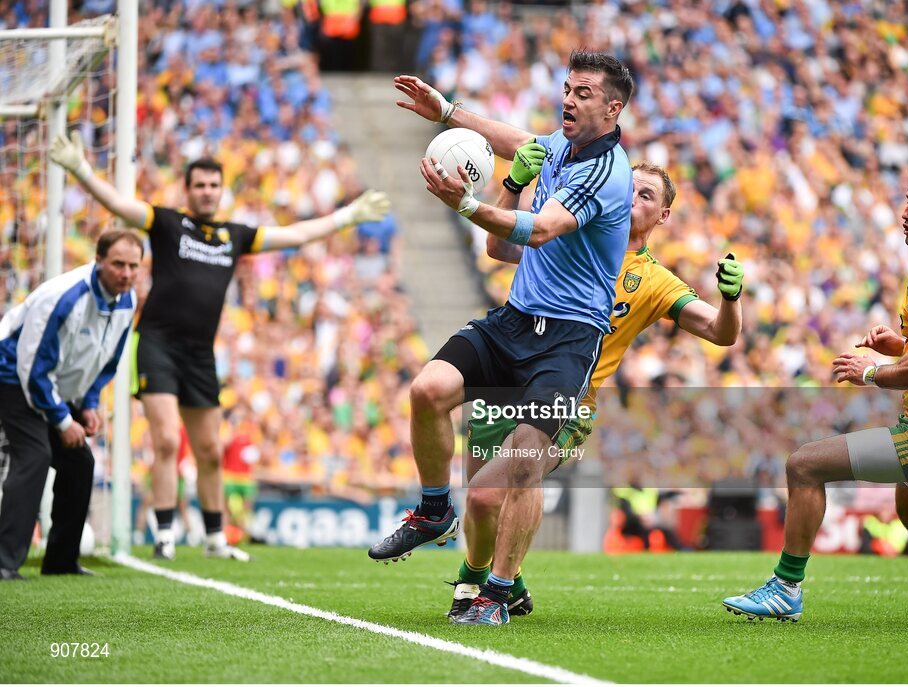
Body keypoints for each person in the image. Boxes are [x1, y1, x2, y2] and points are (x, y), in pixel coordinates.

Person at [368, 50, 634, 625]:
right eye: (566, 88)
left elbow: (539, 230)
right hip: (515, 319)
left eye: (583, 93)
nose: (567, 99)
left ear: (612, 109)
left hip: (568, 339)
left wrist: (466, 203)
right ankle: (435, 509)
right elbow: (513, 139)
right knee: (427, 389)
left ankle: (496, 592)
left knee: (522, 465)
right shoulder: (566, 146)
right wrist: (445, 111)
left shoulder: (607, 172)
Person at [49, 131, 390, 562]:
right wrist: (80, 167)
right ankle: (166, 534)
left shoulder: (235, 235)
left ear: (221, 190)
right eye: (200, 185)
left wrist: (348, 216)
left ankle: (214, 540)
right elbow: (119, 207)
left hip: (200, 354)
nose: (207, 191)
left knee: (209, 449)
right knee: (168, 441)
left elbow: (296, 235)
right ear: (188, 190)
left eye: (214, 185)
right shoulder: (168, 222)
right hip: (155, 343)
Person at [447, 162, 744, 619]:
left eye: (646, 196)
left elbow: (720, 334)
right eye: (629, 189)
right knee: (481, 500)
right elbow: (498, 247)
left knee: (491, 490)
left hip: (567, 400)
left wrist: (730, 300)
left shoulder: (654, 280)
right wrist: (511, 186)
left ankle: (486, 586)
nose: (632, 199)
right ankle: (512, 584)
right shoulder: (571, 235)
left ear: (664, 215)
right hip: (509, 379)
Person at [723, 165, 908, 623]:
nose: (905, 212)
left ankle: (786, 588)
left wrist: (872, 370)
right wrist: (901, 344)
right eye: (906, 200)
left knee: (804, 464)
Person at [0, 230, 143, 580]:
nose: (126, 273)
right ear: (98, 261)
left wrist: (90, 403)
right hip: (10, 377)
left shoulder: (127, 301)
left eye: (133, 266)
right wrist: (64, 421)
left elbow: (105, 361)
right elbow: (32, 369)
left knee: (80, 463)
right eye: (118, 264)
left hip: (48, 387)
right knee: (35, 455)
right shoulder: (62, 297)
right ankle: (4, 562)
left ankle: (61, 562)